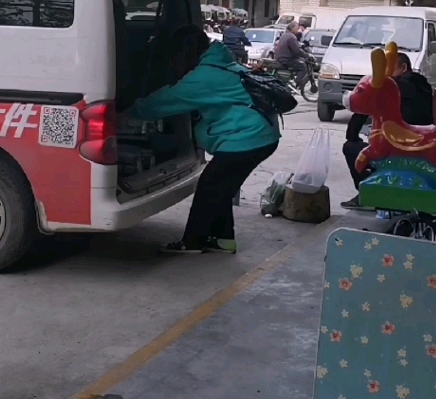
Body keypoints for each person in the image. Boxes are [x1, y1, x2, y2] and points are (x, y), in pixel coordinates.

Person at [126, 25, 281, 254]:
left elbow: (166, 100)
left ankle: (192, 242)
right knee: (220, 188)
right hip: (259, 135)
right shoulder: (222, 63)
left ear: (184, 53)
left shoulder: (204, 76)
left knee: (210, 188)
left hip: (247, 138)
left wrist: (127, 112)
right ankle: (223, 240)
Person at [341, 53, 433, 208]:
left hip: (399, 147)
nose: (385, 75)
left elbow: (354, 127)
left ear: (403, 68)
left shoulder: (395, 87)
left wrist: (354, 133)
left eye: (388, 69)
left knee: (351, 148)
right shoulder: (422, 85)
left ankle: (369, 194)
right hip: (420, 144)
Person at [274, 21, 309, 88]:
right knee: (303, 66)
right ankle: (294, 84)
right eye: (297, 28)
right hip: (285, 59)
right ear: (293, 28)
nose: (297, 30)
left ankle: (292, 79)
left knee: (298, 61)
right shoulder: (291, 37)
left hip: (280, 57)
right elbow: (297, 50)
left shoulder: (285, 35)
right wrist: (306, 55)